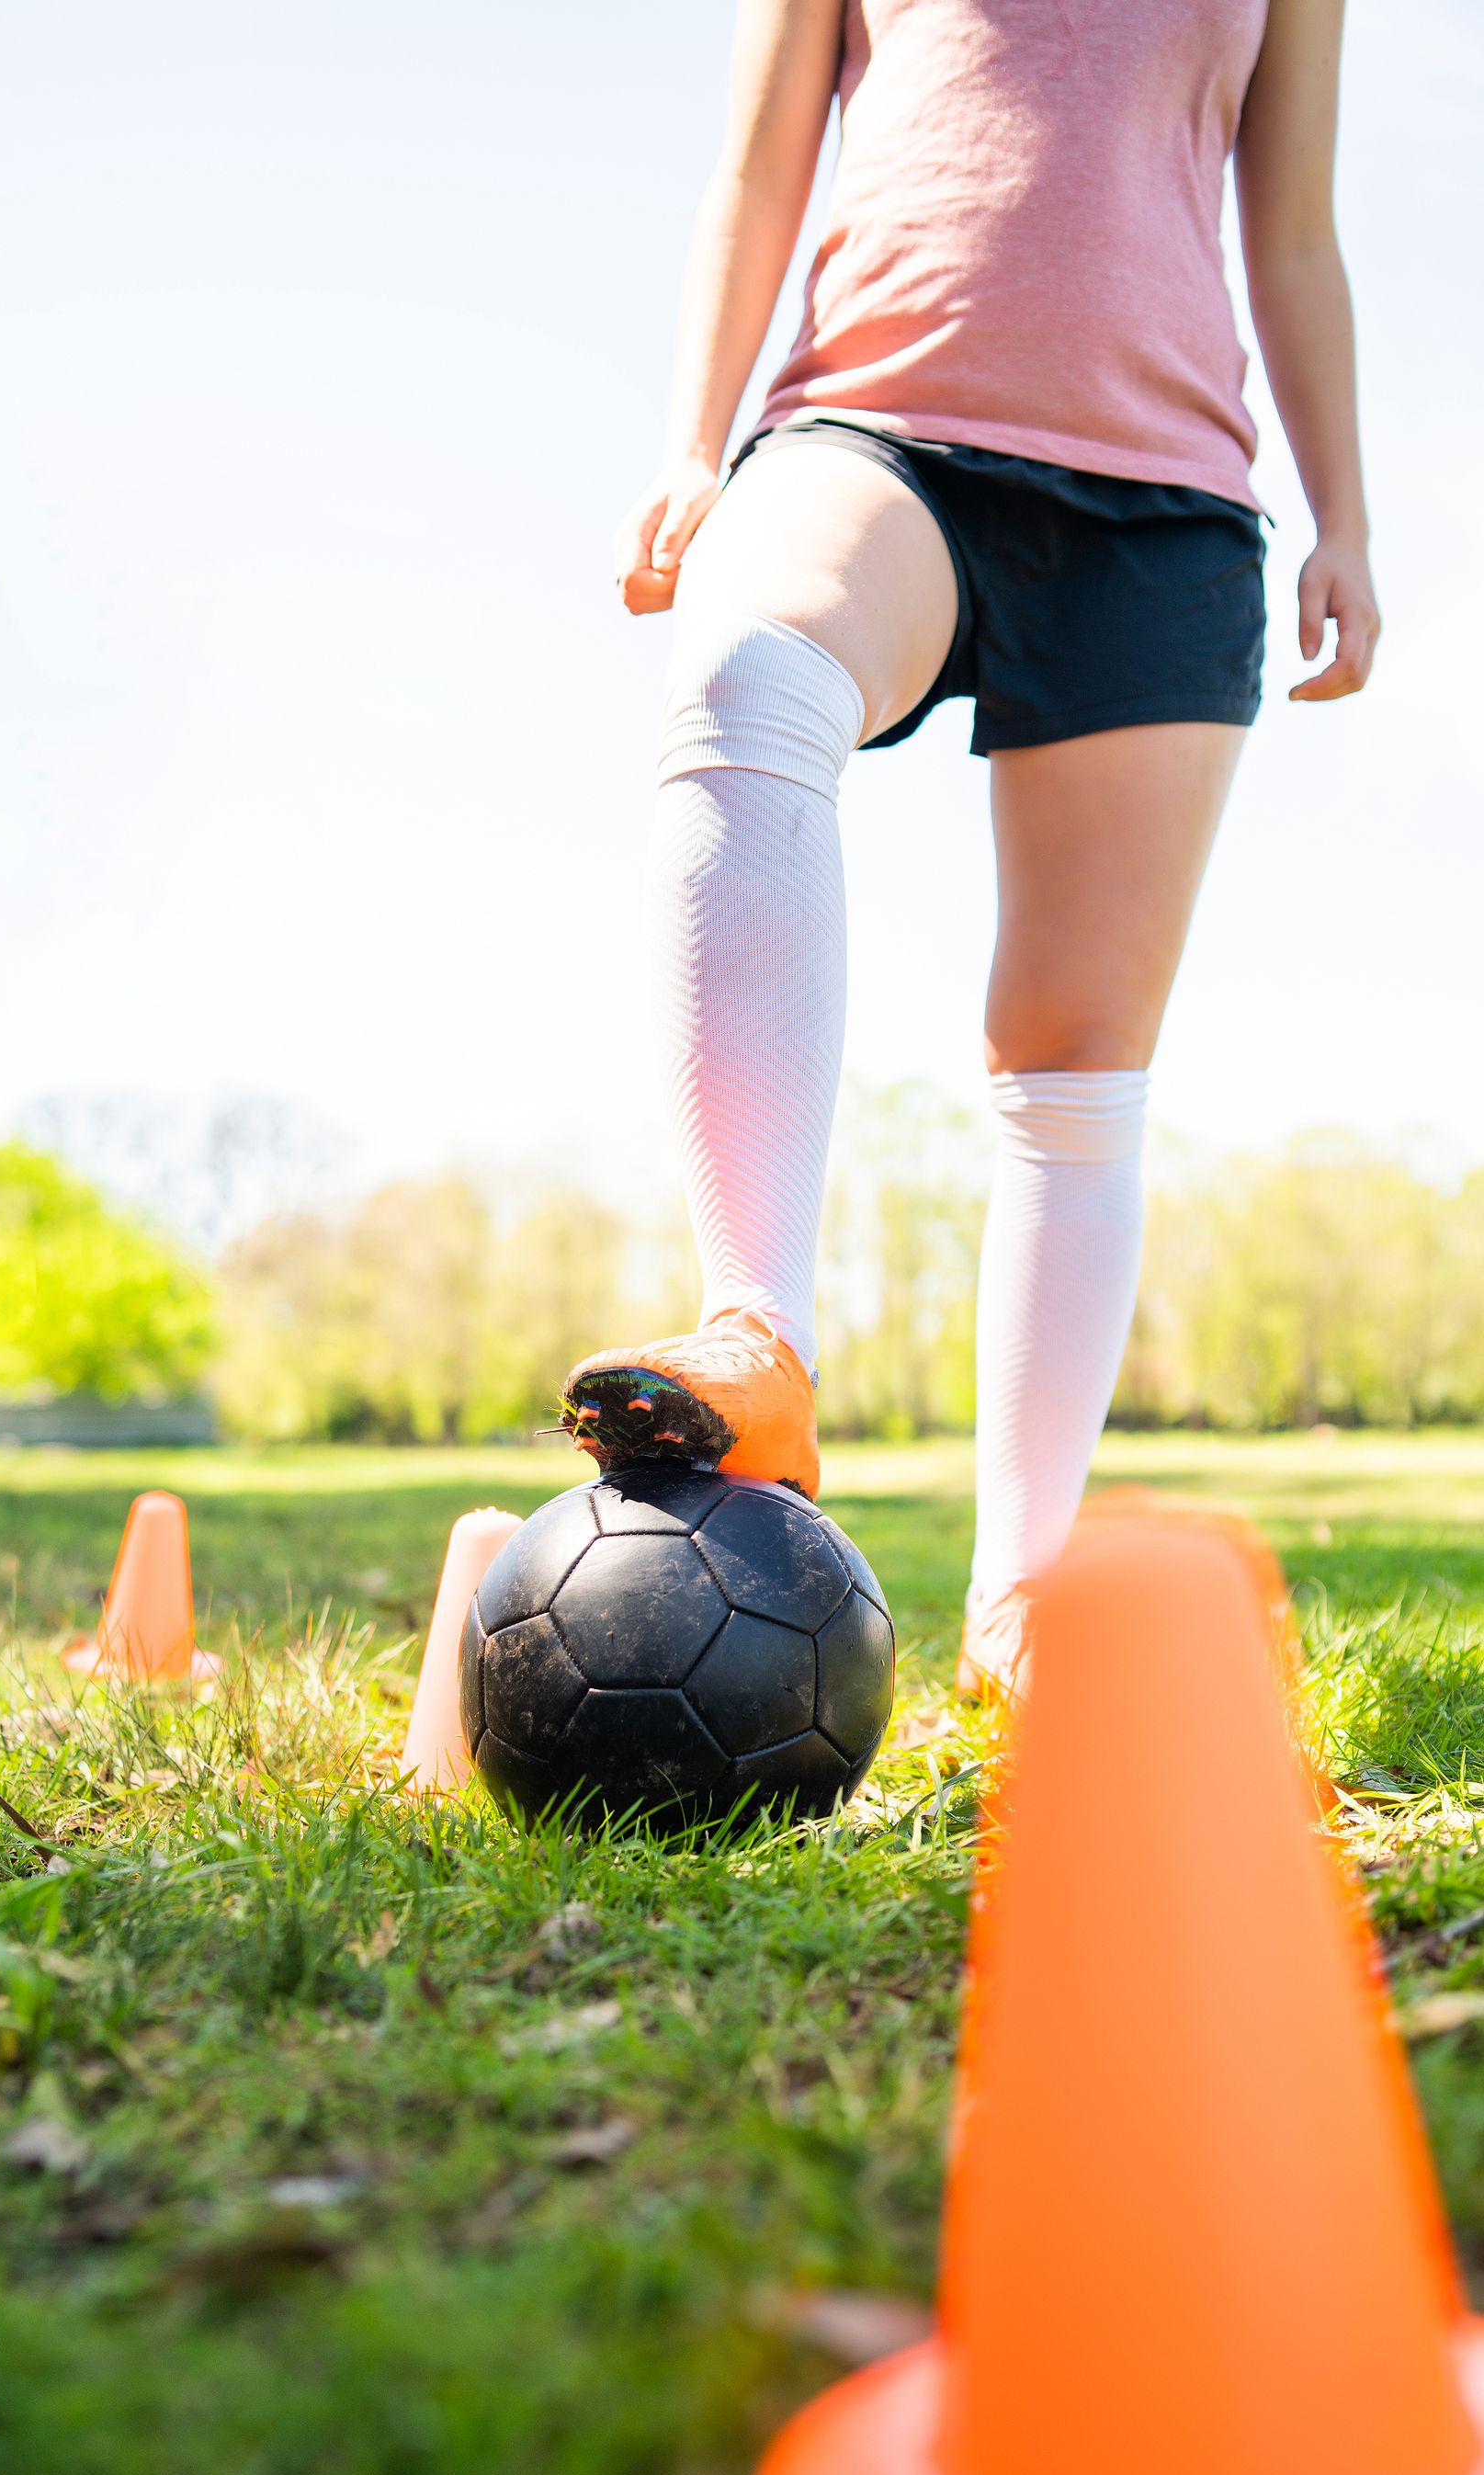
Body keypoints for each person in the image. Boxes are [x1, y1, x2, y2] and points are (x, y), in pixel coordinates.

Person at [561, 0, 1378, 1696]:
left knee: (1074, 1054)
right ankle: (757, 1332)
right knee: (747, 679)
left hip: (1165, 504)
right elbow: (759, 160)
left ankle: (1021, 1603)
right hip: (874, 431)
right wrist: (691, 441)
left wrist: (1346, 516)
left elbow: (1293, 228)